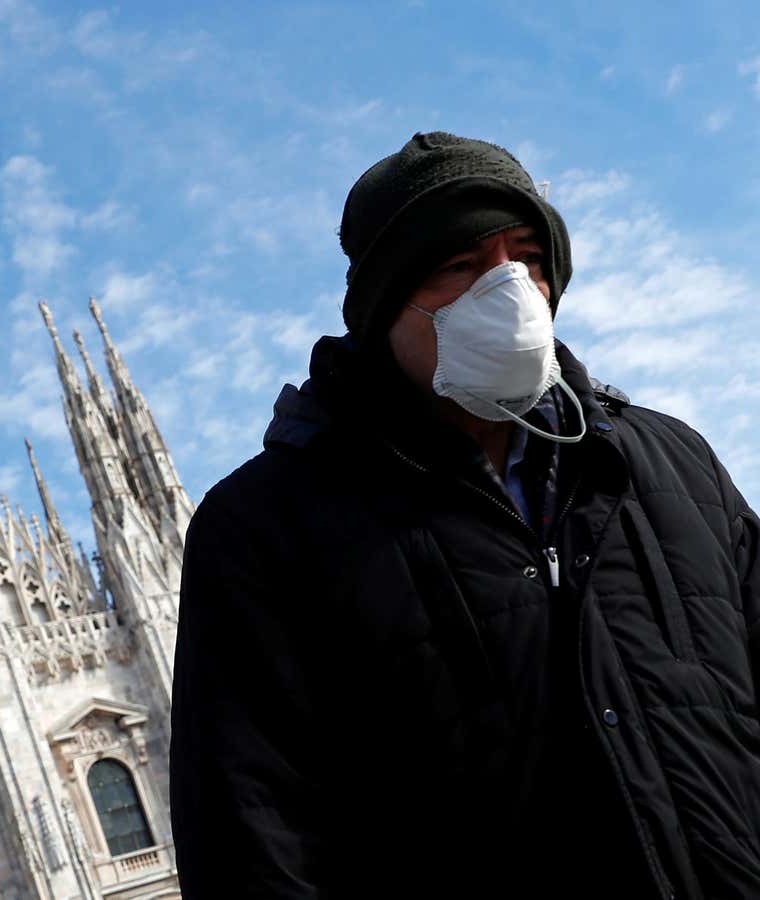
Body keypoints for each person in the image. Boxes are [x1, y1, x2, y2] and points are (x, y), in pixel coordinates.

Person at [170, 132, 760, 898]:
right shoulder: (266, 529)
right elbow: (249, 840)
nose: (511, 290)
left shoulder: (667, 462)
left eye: (530, 260)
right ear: (386, 303)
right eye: (462, 265)